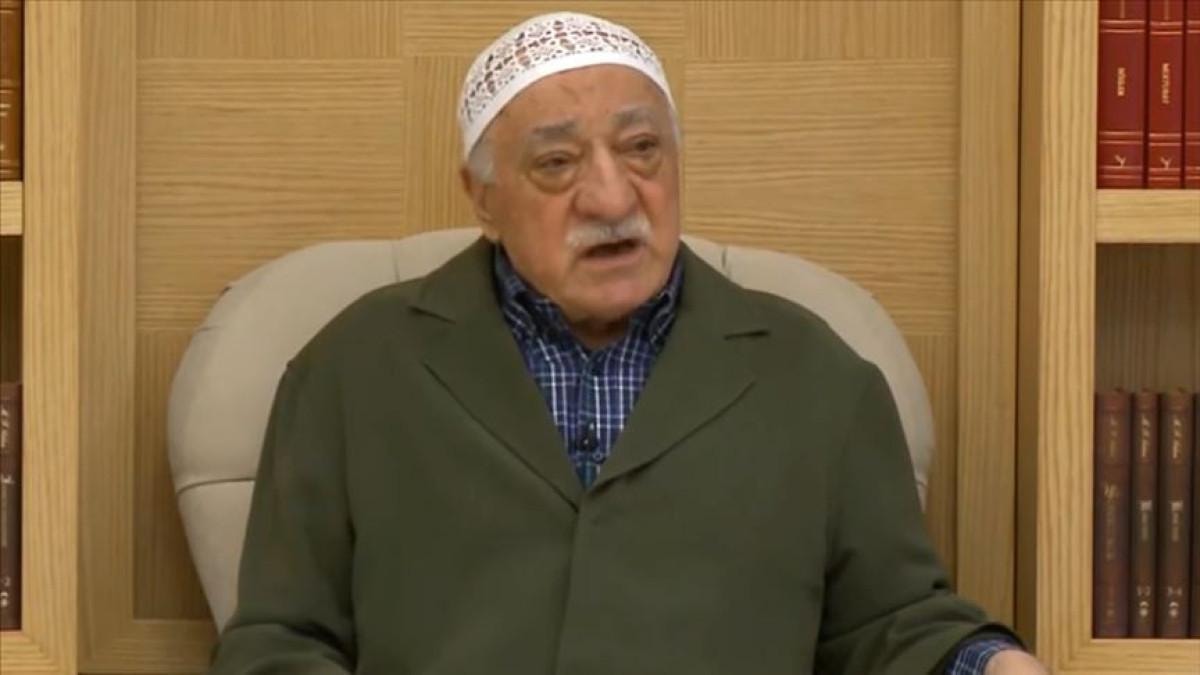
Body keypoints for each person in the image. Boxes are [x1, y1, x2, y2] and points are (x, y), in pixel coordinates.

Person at [208, 12, 1049, 675]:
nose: (612, 198)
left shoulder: (816, 374)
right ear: (482, 196)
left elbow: (895, 623)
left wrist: (987, 663)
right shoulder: (355, 369)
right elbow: (280, 641)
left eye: (642, 149)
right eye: (557, 163)